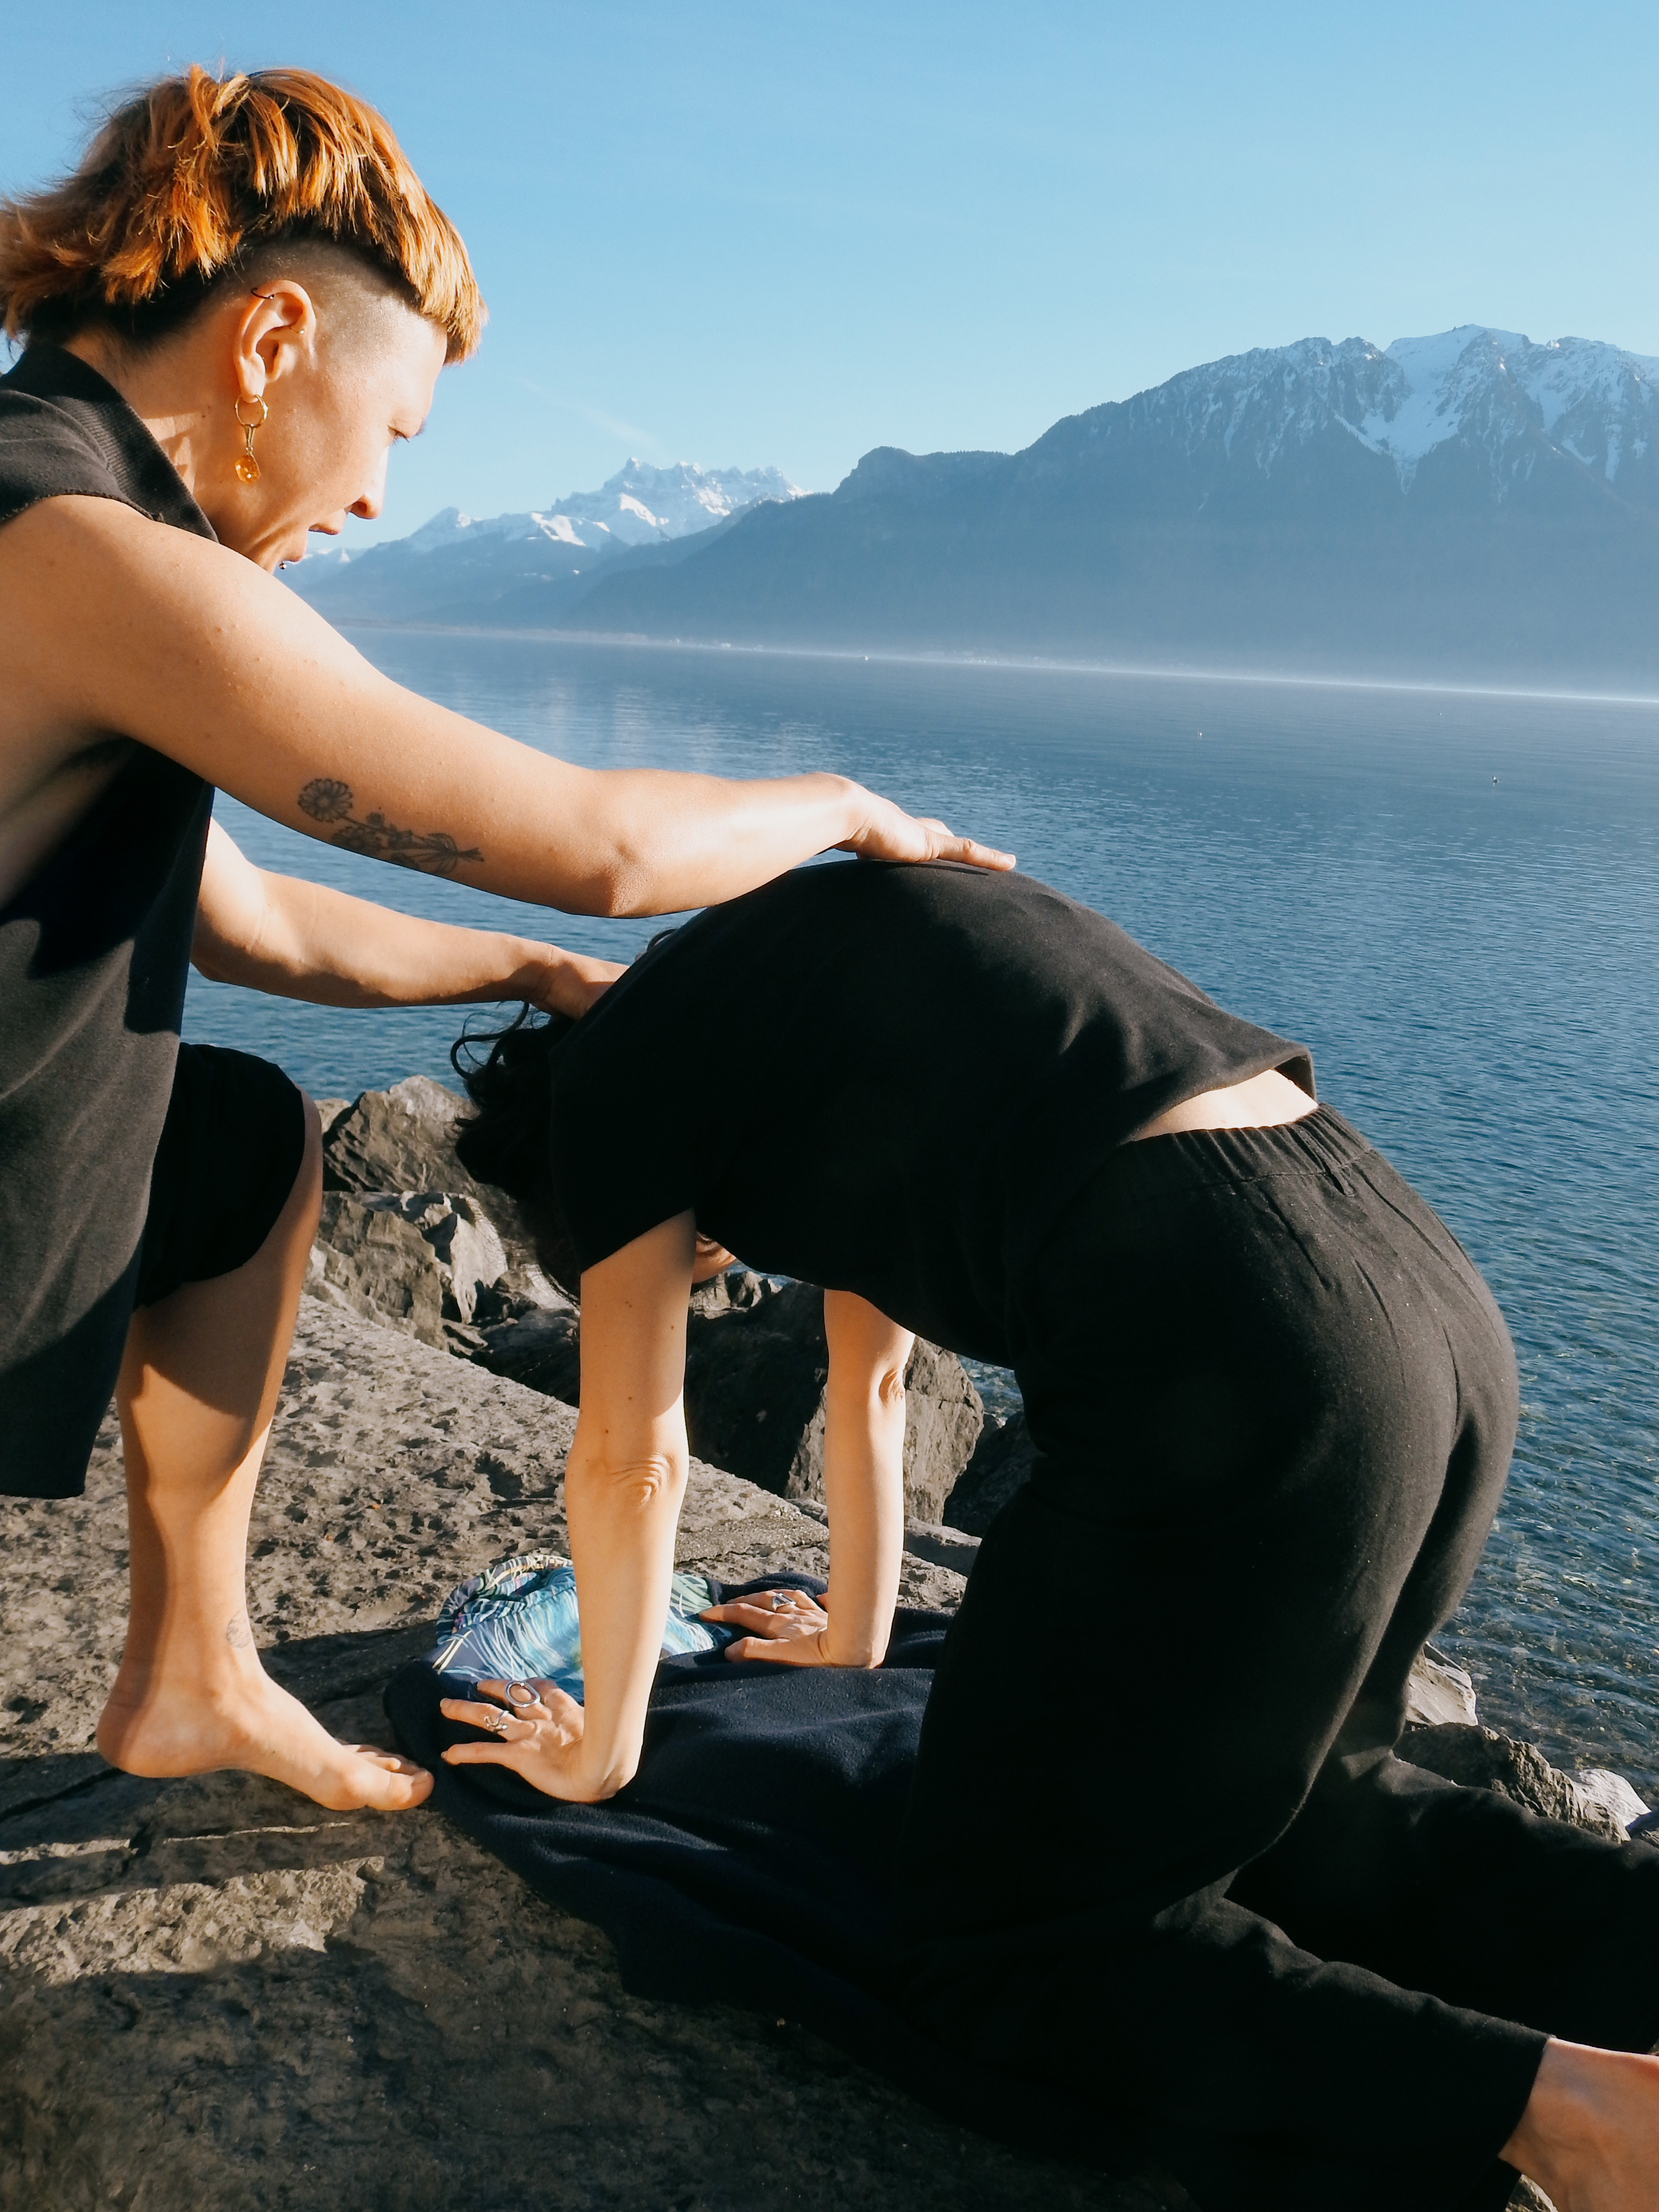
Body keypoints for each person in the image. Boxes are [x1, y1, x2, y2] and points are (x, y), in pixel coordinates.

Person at [0, 66, 1010, 1817]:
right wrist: (845, 805)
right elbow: (599, 847)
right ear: (270, 344)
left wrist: (527, 981)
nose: (383, 496)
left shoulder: (68, 510)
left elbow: (240, 921)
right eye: (391, 430)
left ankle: (192, 1672)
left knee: (237, 1146)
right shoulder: (79, 547)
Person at [436, 857, 1659, 2212]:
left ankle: (1579, 2118)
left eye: (703, 1253)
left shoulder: (629, 1094)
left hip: (1242, 1352)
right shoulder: (783, 982)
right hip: (1418, 1294)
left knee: (1007, 1955)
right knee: (1319, 1809)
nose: (718, 1261)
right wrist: (854, 1635)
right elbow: (873, 1381)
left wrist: (603, 1752)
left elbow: (629, 1456)